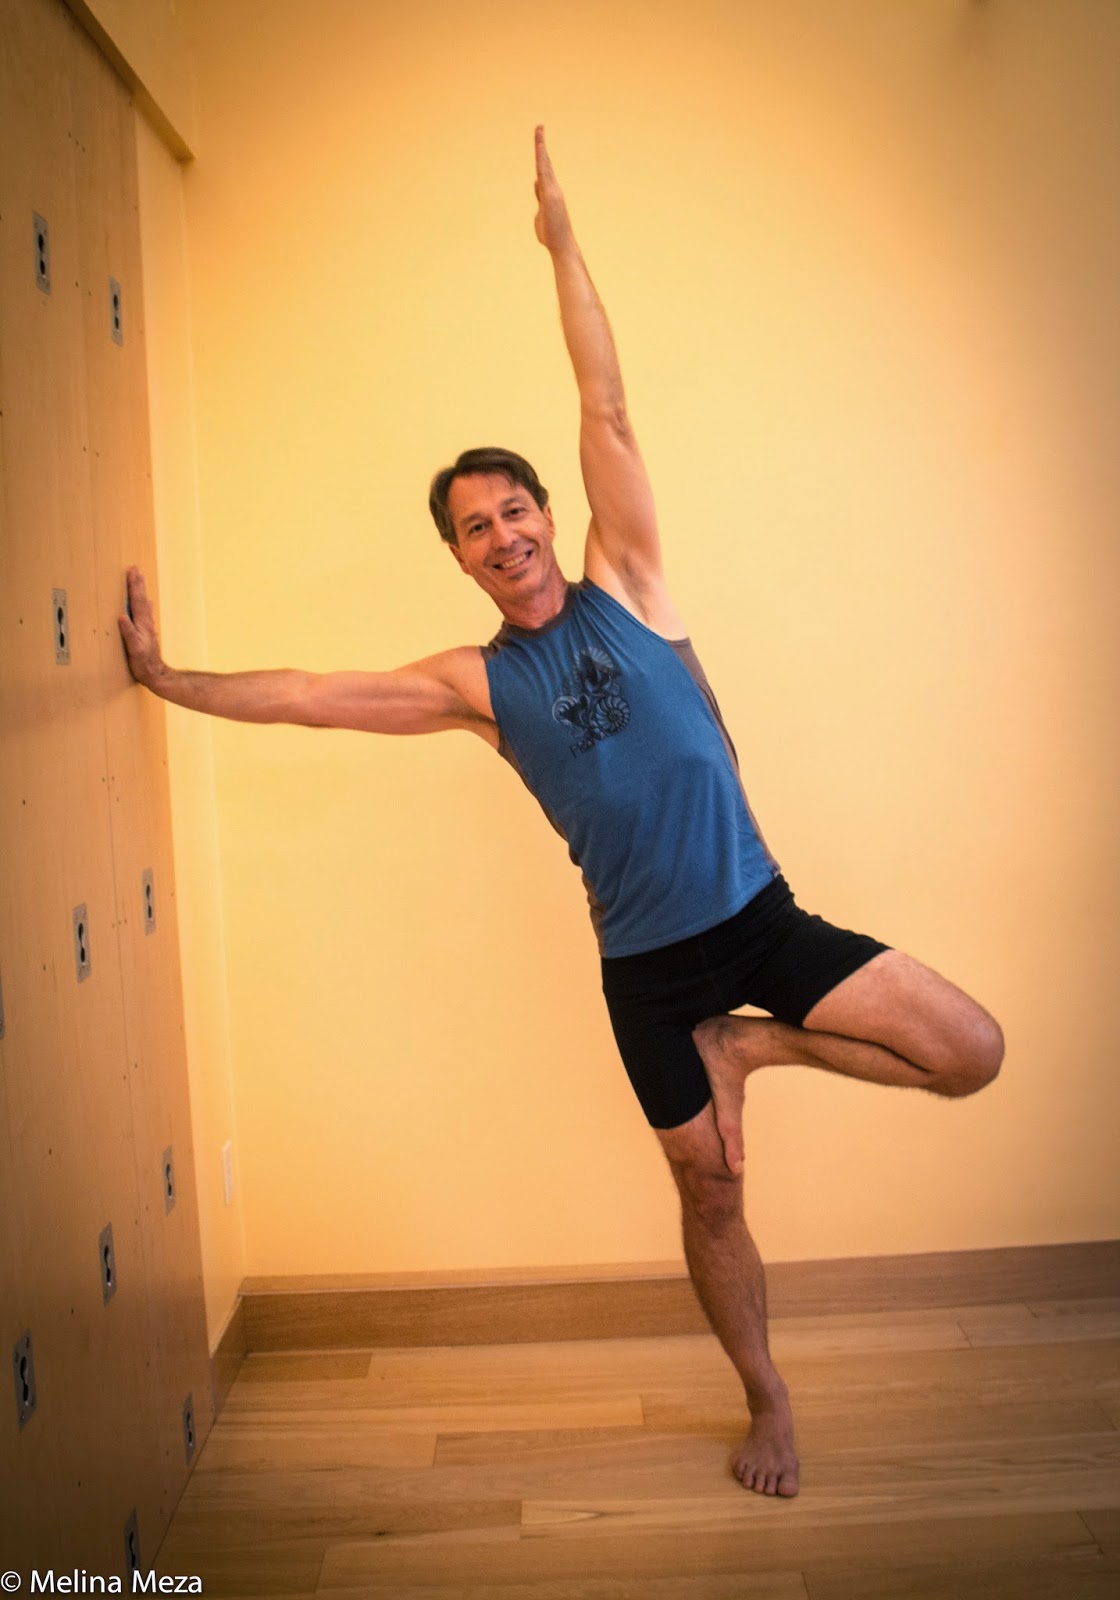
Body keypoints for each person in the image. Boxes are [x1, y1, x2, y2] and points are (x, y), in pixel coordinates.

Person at [119, 127, 1004, 1500]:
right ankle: (768, 1401)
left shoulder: (630, 578)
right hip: (646, 973)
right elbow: (311, 695)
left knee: (970, 1052)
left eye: (516, 508)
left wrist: (562, 243)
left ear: (547, 512)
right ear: (461, 557)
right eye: (476, 528)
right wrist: (169, 677)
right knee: (711, 1192)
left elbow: (607, 404)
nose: (507, 534)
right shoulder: (477, 687)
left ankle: (756, 1049)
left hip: (760, 920)